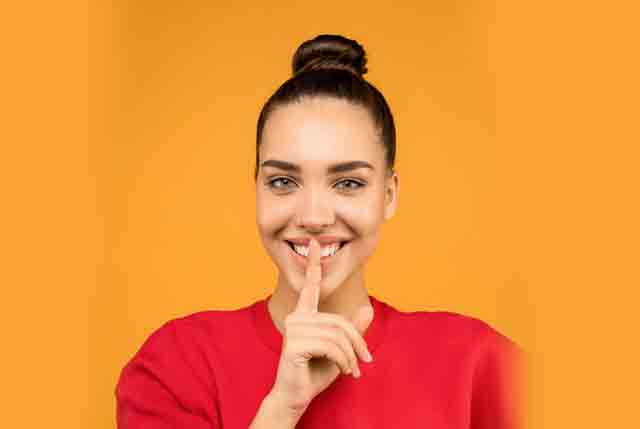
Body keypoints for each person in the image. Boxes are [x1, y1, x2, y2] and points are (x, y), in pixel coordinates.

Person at [115, 34, 523, 429]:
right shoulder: (175, 365)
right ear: (255, 189)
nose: (313, 216)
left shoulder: (480, 365)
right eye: (282, 182)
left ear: (389, 194)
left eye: (348, 183)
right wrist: (281, 409)